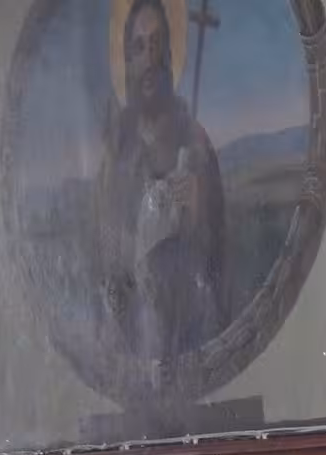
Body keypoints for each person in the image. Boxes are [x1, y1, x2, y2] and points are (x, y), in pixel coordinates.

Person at [95, 0, 227, 358]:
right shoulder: (115, 153)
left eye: (156, 43)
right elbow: (106, 258)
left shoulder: (196, 143)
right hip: (134, 333)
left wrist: (198, 209)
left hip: (190, 330)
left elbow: (217, 259)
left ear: (170, 54)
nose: (149, 57)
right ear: (127, 61)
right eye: (139, 47)